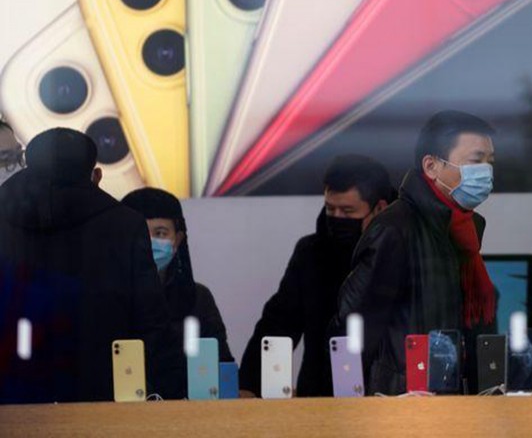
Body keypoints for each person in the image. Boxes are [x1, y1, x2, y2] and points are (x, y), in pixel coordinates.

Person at [0, 128, 183, 403]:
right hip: (101, 398)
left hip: (12, 396)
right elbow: (150, 321)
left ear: (28, 167)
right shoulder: (124, 224)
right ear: (95, 175)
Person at [335, 111, 498, 395]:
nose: (485, 171)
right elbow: (352, 325)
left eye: (489, 162)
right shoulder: (394, 229)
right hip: (402, 403)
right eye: (475, 160)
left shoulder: (466, 229)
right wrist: (353, 409)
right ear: (431, 166)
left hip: (456, 401)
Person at [238, 154, 393, 397]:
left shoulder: (400, 253)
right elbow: (278, 322)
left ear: (380, 209)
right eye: (330, 209)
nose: (337, 218)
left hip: (388, 398)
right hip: (319, 397)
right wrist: (248, 385)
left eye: (348, 210)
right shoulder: (310, 253)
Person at [121, 187, 234, 363]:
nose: (149, 242)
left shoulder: (198, 298)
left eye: (160, 233)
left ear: (178, 239)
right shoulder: (107, 298)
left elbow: (222, 364)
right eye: (140, 233)